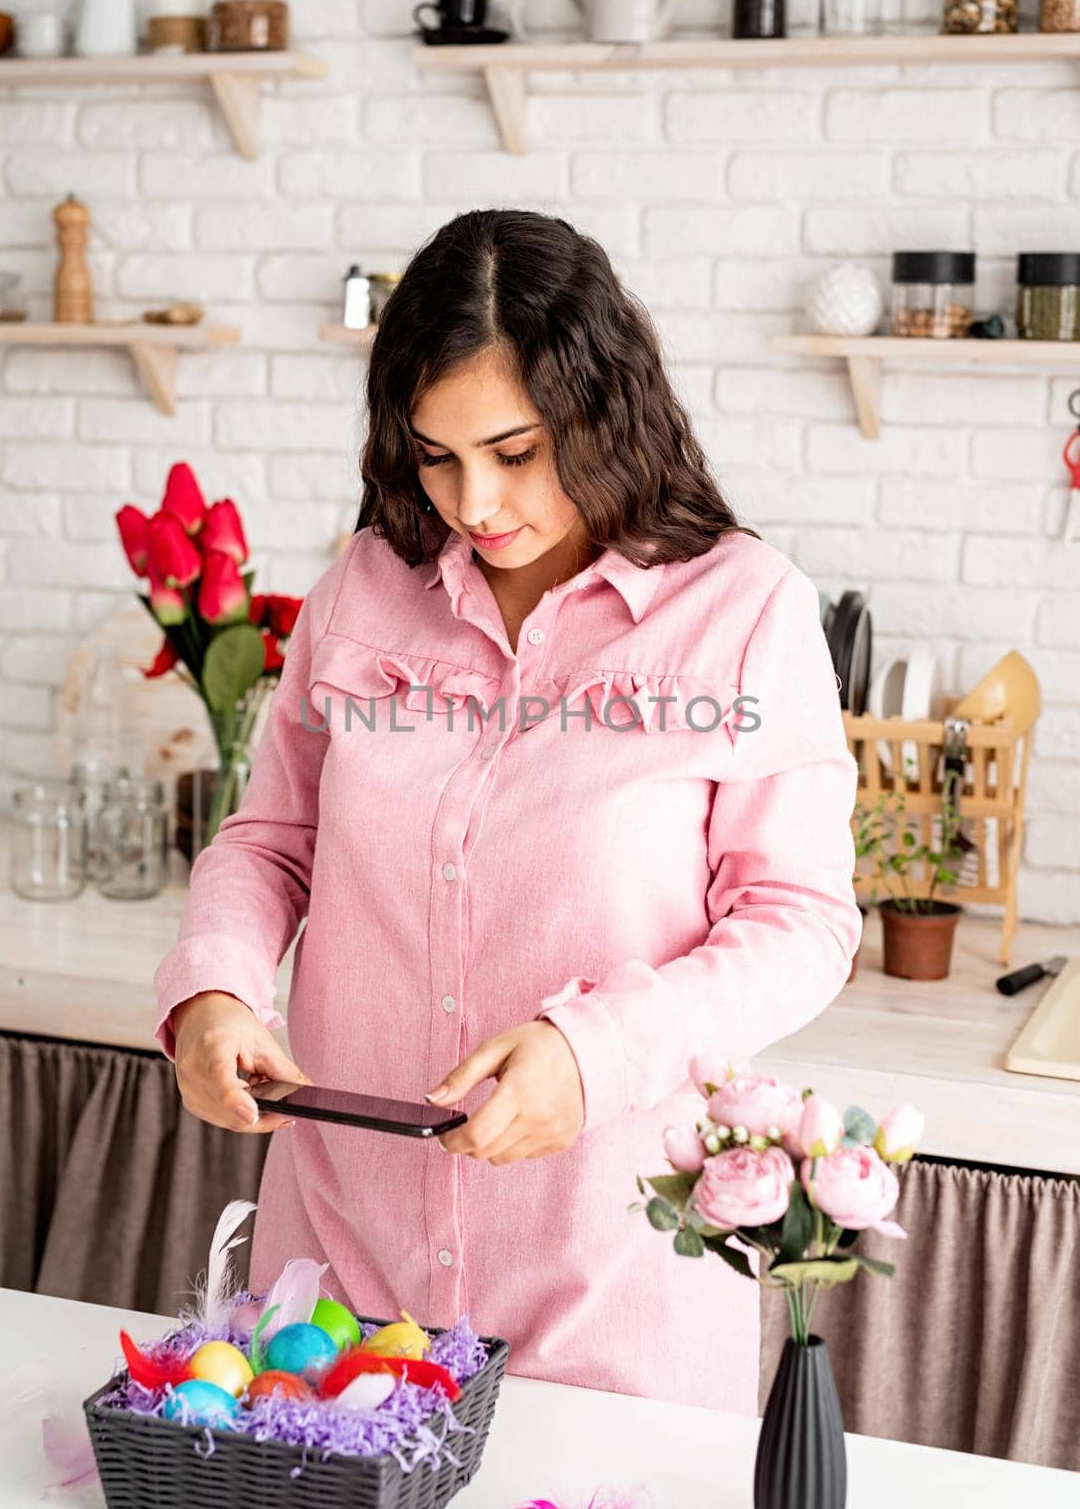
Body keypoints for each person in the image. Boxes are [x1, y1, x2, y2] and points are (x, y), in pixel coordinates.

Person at [155, 208, 861, 1413]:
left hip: (604, 1279)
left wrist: (597, 1052)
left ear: (604, 409)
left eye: (516, 451)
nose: (475, 502)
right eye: (437, 456)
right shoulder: (363, 591)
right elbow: (272, 840)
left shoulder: (744, 609)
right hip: (337, 1280)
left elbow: (799, 922)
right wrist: (214, 986)